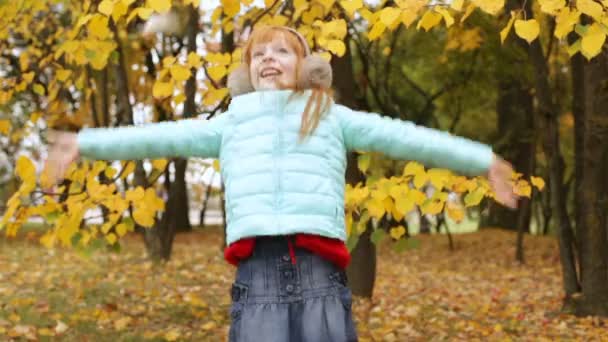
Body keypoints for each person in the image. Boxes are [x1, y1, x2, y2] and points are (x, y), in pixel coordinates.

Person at [45, 25, 517, 342]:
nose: (268, 58)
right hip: (258, 279)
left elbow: (403, 136)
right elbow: (156, 137)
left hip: (322, 278)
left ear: (307, 68)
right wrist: (81, 144)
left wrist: (481, 160)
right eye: (259, 54)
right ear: (247, 72)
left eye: (282, 51)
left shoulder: (330, 115)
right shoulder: (230, 123)